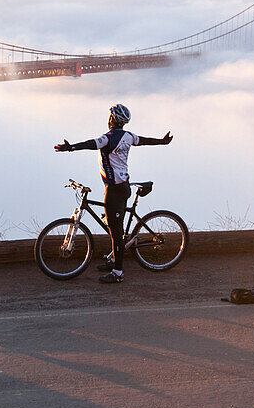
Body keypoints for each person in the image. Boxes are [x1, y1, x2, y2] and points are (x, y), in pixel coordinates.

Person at [54, 104, 172, 284]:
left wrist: (70, 148)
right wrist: (162, 142)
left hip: (115, 190)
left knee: (116, 233)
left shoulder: (108, 138)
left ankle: (118, 272)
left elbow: (91, 144)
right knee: (113, 227)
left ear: (112, 119)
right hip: (121, 187)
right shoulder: (129, 136)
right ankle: (114, 261)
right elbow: (145, 140)